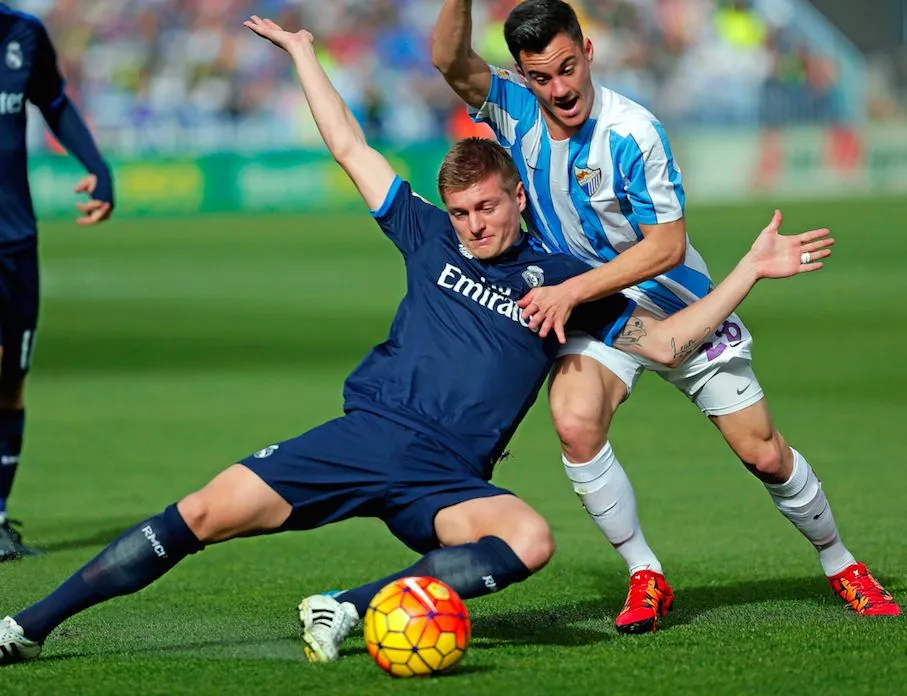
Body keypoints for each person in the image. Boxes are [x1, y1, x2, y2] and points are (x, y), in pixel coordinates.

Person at [0, 14, 834, 666]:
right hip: (362, 438)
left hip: (447, 480)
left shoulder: (564, 285)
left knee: (530, 539)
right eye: (461, 212)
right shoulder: (426, 233)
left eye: (486, 209)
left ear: (516, 199)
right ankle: (27, 626)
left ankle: (348, 606)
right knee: (199, 513)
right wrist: (304, 56)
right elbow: (348, 145)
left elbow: (670, 344)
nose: (472, 225)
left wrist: (748, 271)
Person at [430, 0, 899, 633]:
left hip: (675, 302)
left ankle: (841, 562)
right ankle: (645, 572)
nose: (560, 89)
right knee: (574, 422)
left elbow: (666, 247)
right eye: (541, 77)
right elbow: (447, 58)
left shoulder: (633, 132)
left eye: (567, 68)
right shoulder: (513, 109)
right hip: (597, 311)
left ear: (587, 51)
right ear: (522, 74)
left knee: (763, 454)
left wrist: (572, 290)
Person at [0, 4, 114, 560]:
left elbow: (55, 103)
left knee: (10, 383)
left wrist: (97, 165)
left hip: (16, 239)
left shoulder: (25, 34)